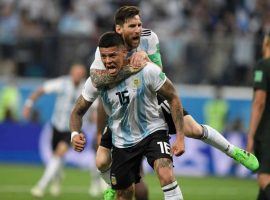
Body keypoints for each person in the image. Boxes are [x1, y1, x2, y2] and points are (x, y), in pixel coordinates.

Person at [89, 7, 259, 198]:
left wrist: (145, 60)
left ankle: (234, 152)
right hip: (124, 106)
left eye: (139, 24)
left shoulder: (149, 37)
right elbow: (97, 79)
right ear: (119, 29)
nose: (138, 30)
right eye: (132, 26)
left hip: (150, 98)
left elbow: (158, 70)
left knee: (194, 130)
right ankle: (113, 182)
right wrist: (131, 67)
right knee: (102, 161)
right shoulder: (107, 48)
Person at [70, 32, 185, 200]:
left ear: (124, 52)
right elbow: (77, 111)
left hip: (153, 130)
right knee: (124, 194)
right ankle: (114, 186)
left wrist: (180, 137)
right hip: (122, 141)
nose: (108, 61)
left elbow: (173, 96)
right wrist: (74, 134)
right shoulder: (98, 82)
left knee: (165, 173)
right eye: (104, 56)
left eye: (112, 55)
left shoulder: (146, 70)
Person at [22, 63, 86, 197]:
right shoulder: (62, 83)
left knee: (59, 154)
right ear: (71, 73)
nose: (77, 75)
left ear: (83, 75)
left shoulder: (86, 88)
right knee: (55, 158)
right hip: (56, 126)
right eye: (75, 72)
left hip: (72, 129)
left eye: (80, 73)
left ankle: (40, 186)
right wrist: (29, 104)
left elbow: (96, 104)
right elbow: (41, 90)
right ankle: (57, 180)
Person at [247, 33, 270, 200]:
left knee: (264, 179)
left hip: (267, 133)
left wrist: (251, 134)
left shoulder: (263, 66)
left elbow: (259, 102)